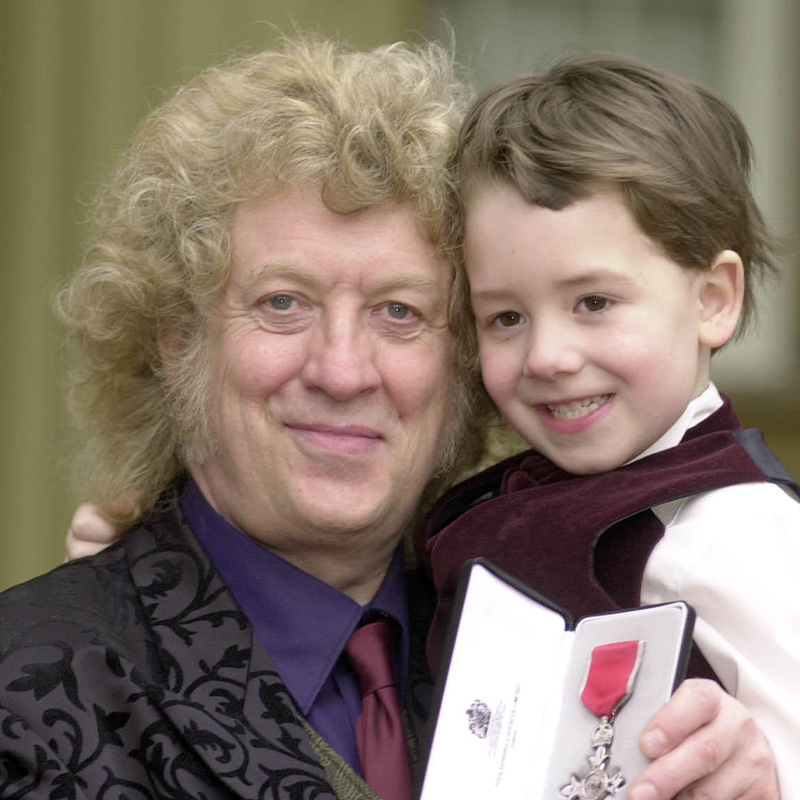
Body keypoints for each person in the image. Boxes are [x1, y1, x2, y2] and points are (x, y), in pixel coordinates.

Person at [40, 38, 777, 800]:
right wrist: (114, 593)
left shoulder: (523, 589)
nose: (343, 369)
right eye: (283, 302)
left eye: (400, 311)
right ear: (178, 340)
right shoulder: (43, 690)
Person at [420, 52, 799, 796]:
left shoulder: (735, 530)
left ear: (713, 299)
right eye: (505, 317)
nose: (547, 356)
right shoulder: (505, 498)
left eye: (593, 302)